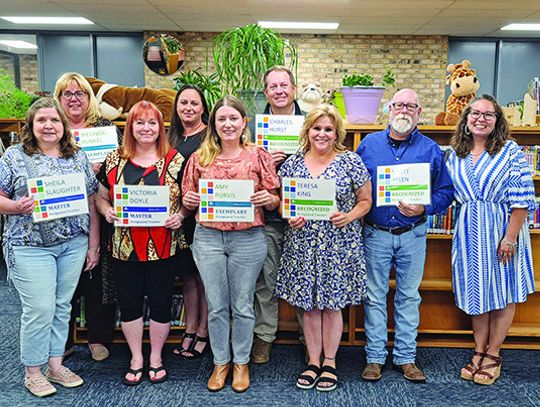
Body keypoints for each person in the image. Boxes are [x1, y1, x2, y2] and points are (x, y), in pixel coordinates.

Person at [0, 97, 99, 397]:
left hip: (73, 243)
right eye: (42, 120)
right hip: (29, 245)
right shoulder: (14, 157)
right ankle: (33, 371)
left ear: (63, 125)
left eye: (54, 120)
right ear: (31, 124)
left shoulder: (77, 156)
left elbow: (92, 201)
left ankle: (55, 366)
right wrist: (16, 207)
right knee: (39, 309)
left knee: (60, 307)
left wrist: (93, 246)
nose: (49, 126)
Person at [182, 96, 280, 392]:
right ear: (214, 124)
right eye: (221, 119)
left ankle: (241, 362)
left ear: (243, 123)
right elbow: (187, 199)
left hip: (248, 239)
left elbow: (276, 199)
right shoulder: (200, 158)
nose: (228, 124)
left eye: (233, 118)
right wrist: (188, 201)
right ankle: (220, 362)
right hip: (209, 238)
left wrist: (269, 199)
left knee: (243, 305)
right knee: (216, 306)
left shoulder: (258, 156)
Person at [356, 89, 454, 382]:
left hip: (413, 234)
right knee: (374, 297)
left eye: (410, 106)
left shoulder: (431, 150)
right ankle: (374, 358)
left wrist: (424, 207)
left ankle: (405, 358)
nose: (404, 111)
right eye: (399, 105)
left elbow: (445, 191)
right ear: (389, 109)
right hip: (376, 233)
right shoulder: (368, 145)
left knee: (409, 297)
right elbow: (355, 186)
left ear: (418, 112)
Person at [276, 105, 372, 391]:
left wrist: (349, 216)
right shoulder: (292, 164)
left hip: (338, 244)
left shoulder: (350, 161)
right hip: (303, 243)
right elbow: (284, 202)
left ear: (336, 133)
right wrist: (289, 215)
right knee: (308, 307)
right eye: (317, 128)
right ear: (308, 130)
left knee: (331, 307)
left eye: (328, 129)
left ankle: (329, 361)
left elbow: (365, 201)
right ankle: (313, 361)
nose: (322, 134)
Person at [95, 101, 187, 385]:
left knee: (161, 302)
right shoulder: (113, 160)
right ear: (130, 127)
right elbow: (100, 195)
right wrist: (106, 210)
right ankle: (136, 357)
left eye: (152, 123)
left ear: (161, 127)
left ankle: (156, 356)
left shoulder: (176, 161)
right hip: (125, 248)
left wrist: (181, 215)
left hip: (163, 246)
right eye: (139, 122)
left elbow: (189, 199)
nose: (146, 128)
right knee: (130, 303)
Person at [446, 95, 535, 385]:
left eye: (488, 114)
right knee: (477, 290)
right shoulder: (454, 153)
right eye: (475, 113)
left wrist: (510, 238)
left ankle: (493, 353)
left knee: (503, 290)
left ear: (497, 121)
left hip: (502, 230)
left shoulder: (509, 151)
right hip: (469, 231)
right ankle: (479, 350)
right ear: (466, 118)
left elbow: (522, 200)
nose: (481, 118)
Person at [54, 72, 120, 362]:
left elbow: (120, 165)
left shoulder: (104, 128)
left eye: (79, 93)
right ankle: (63, 341)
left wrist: (101, 170)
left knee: (100, 279)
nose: (74, 99)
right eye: (67, 94)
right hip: (60, 218)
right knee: (61, 282)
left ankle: (98, 339)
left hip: (100, 214)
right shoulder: (52, 129)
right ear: (58, 99)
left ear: (89, 98)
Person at [252, 66, 305, 364]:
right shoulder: (253, 130)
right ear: (266, 92)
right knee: (266, 281)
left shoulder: (310, 123)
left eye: (284, 85)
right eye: (273, 86)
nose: (279, 91)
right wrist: (264, 164)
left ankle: (308, 336)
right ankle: (265, 336)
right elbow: (242, 172)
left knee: (302, 279)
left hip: (303, 218)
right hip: (268, 218)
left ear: (294, 89)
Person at [168, 85, 209, 358]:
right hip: (175, 218)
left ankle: (204, 331)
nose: (189, 108)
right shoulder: (170, 137)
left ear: (203, 108)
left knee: (205, 278)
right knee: (188, 278)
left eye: (194, 103)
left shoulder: (209, 137)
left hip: (202, 217)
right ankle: (190, 328)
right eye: (183, 103)